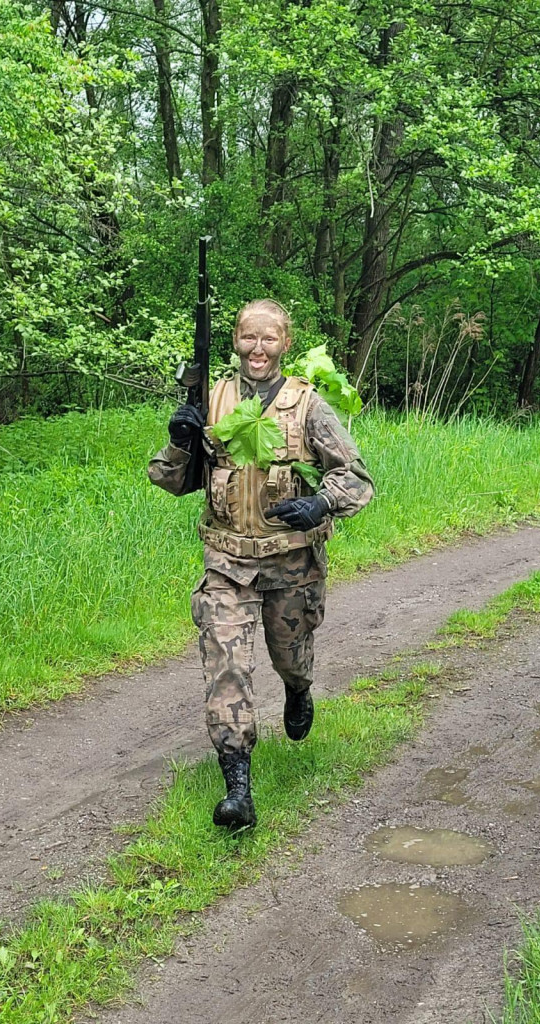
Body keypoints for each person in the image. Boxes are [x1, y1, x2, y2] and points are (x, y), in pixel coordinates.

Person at [148, 299, 374, 828]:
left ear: (285, 343)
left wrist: (320, 502)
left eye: (269, 338)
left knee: (289, 657)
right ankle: (238, 791)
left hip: (292, 565)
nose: (257, 348)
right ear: (235, 339)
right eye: (248, 337)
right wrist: (182, 442)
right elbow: (171, 480)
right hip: (227, 564)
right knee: (227, 668)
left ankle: (299, 690)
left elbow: (358, 478)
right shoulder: (213, 399)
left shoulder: (307, 405)